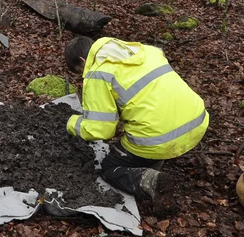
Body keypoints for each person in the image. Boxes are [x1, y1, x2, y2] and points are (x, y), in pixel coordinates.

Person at [64, 36, 209, 211]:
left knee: (110, 167)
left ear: (83, 60)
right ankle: (154, 160)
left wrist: (71, 122)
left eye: (81, 71)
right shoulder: (146, 51)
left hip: (159, 138)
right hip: (198, 121)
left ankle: (151, 181)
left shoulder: (98, 73)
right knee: (151, 128)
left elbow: (100, 130)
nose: (83, 76)